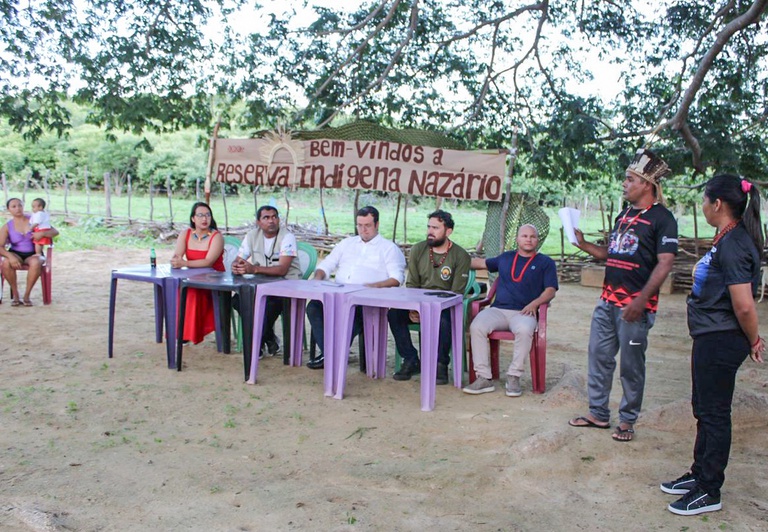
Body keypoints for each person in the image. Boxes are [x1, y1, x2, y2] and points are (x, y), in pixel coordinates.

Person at [661, 175, 765, 516]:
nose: (702, 206)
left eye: (704, 200)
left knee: (715, 413)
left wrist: (754, 339)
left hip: (722, 339)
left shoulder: (735, 244)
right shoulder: (727, 238)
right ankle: (698, 474)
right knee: (703, 409)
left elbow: (745, 305)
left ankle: (710, 489)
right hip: (709, 336)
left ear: (717, 204)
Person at [569, 148, 678, 442]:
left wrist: (641, 301)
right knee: (599, 356)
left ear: (646, 184)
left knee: (631, 365)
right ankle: (598, 414)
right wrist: (584, 245)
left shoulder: (663, 219)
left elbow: (665, 262)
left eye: (630, 179)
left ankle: (628, 420)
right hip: (607, 303)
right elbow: (611, 253)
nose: (624, 184)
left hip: (635, 307)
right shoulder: (625, 214)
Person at [462, 224, 558, 396]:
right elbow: (480, 263)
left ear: (537, 240)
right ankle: (483, 377)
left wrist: (535, 304)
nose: (528, 239)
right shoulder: (506, 258)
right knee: (477, 326)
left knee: (525, 329)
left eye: (532, 236)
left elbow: (551, 290)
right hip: (498, 310)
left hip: (524, 312)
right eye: (524, 236)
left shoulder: (545, 262)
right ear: (517, 239)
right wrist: (454, 261)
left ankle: (514, 376)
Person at [306, 205, 406, 370]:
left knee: (354, 314)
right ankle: (331, 354)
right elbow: (327, 264)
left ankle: (330, 356)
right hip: (339, 293)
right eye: (359, 225)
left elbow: (397, 278)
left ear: (377, 224)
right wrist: (318, 278)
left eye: (367, 225)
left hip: (366, 299)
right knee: (314, 307)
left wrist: (373, 286)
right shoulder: (347, 243)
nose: (363, 229)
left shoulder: (389, 248)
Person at [389, 210, 471, 385]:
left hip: (445, 307)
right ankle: (411, 359)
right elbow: (411, 285)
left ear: (448, 231)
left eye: (435, 227)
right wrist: (413, 307)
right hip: (418, 304)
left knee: (442, 320)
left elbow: (455, 294)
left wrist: (429, 310)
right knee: (394, 313)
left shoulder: (460, 255)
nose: (430, 231)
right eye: (429, 227)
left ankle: (440, 364)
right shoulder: (418, 249)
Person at [231, 205, 301, 357]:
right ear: (258, 222)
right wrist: (236, 266)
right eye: (266, 218)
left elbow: (282, 269)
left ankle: (255, 346)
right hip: (262, 284)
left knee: (267, 305)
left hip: (286, 286)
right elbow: (238, 259)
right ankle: (269, 339)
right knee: (238, 300)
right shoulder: (252, 235)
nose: (271, 221)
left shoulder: (287, 237)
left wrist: (254, 269)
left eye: (274, 217)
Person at [171, 202, 225, 344]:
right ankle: (181, 331)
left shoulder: (216, 236)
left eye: (207, 215)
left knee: (192, 291)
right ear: (193, 218)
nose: (204, 219)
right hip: (193, 276)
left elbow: (208, 262)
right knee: (176, 289)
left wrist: (184, 263)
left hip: (214, 279)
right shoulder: (186, 234)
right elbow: (177, 255)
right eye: (200, 215)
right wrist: (176, 261)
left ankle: (190, 334)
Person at [0, 198, 59, 306]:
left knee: (36, 262)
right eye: (14, 206)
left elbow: (55, 232)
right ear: (9, 210)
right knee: (6, 262)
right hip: (16, 253)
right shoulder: (7, 226)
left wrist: (42, 234)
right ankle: (16, 295)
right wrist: (10, 256)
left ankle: (27, 295)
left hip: (33, 253)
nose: (18, 208)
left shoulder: (34, 220)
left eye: (20, 205)